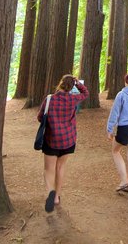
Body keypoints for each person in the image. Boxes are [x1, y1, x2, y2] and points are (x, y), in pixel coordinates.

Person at [38, 74, 88, 212]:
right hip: (68, 140)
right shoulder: (73, 99)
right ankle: (56, 197)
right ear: (72, 87)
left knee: (49, 169)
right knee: (60, 168)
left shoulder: (50, 99)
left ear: (60, 84)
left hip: (51, 139)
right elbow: (86, 93)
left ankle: (50, 193)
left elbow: (40, 117)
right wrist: (78, 83)